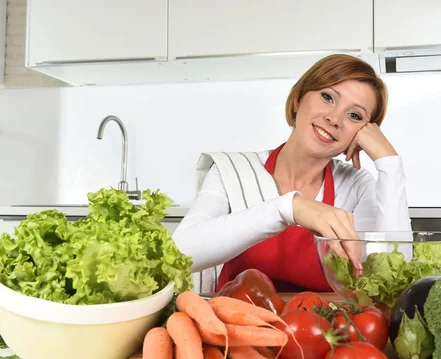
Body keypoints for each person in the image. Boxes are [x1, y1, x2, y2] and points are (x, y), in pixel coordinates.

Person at [172, 54, 412, 294]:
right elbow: (180, 253)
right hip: (233, 326)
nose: (334, 118)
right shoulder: (232, 171)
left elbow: (392, 279)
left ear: (364, 133)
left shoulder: (356, 186)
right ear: (298, 99)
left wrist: (390, 162)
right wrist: (289, 208)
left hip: (324, 329)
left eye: (354, 115)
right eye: (328, 97)